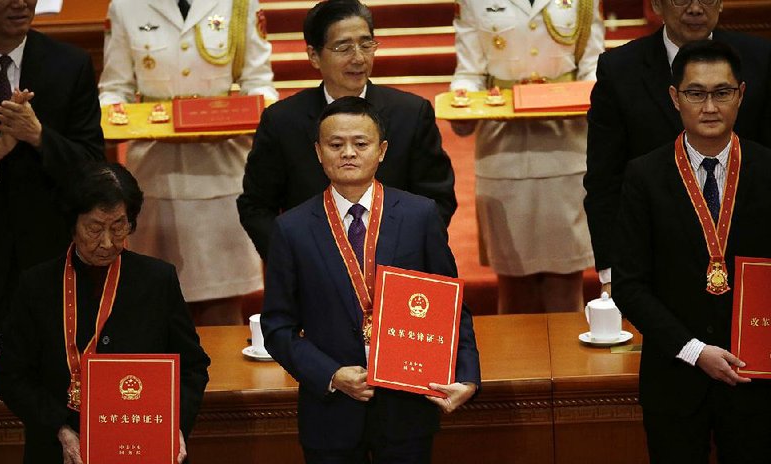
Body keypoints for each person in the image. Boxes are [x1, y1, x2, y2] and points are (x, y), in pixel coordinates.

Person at [262, 97, 481, 464]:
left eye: (360, 143)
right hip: (331, 410)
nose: (348, 153)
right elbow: (277, 326)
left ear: (382, 150)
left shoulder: (419, 216)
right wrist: (330, 374)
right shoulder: (292, 228)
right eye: (336, 144)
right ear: (318, 152)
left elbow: (453, 306)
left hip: (407, 405)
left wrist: (468, 376)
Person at [0, 162, 210, 464]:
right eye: (94, 228)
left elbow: (192, 367)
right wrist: (60, 429)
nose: (107, 242)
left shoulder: (157, 280)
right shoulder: (36, 285)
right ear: (72, 223)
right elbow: (11, 376)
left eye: (119, 227)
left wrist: (172, 428)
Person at [614, 40, 771, 464]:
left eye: (722, 92)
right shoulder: (644, 175)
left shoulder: (769, 169)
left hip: (757, 380)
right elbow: (631, 286)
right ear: (674, 97)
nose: (709, 106)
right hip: (675, 374)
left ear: (741, 95)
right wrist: (694, 349)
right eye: (696, 93)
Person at [98, 0, 278, 325]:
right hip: (154, 172)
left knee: (221, 311)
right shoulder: (126, 6)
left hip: (220, 172)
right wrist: (117, 119)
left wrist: (246, 115)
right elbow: (115, 88)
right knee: (154, 307)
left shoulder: (239, 4)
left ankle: (223, 379)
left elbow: (259, 83)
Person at [238, 0, 457, 260]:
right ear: (313, 56)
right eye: (343, 47)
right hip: (312, 272)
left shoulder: (410, 114)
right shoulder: (282, 121)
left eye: (366, 45)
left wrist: (398, 250)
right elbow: (256, 206)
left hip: (395, 269)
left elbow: (437, 199)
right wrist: (294, 257)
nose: (358, 58)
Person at [584, 0, 771, 296]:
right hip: (655, 260)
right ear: (656, 4)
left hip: (744, 260)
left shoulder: (761, 59)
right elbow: (603, 181)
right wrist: (611, 272)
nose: (696, 8)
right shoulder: (620, 70)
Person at [450, 0, 604, 314]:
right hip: (502, 147)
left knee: (566, 284)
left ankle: (569, 365)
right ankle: (515, 364)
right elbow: (469, 71)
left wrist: (594, 98)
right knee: (513, 285)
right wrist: (462, 101)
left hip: (567, 145)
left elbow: (593, 65)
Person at [0, 0, 104, 332]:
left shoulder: (70, 64)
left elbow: (92, 167)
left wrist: (39, 136)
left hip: (48, 258)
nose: (20, 3)